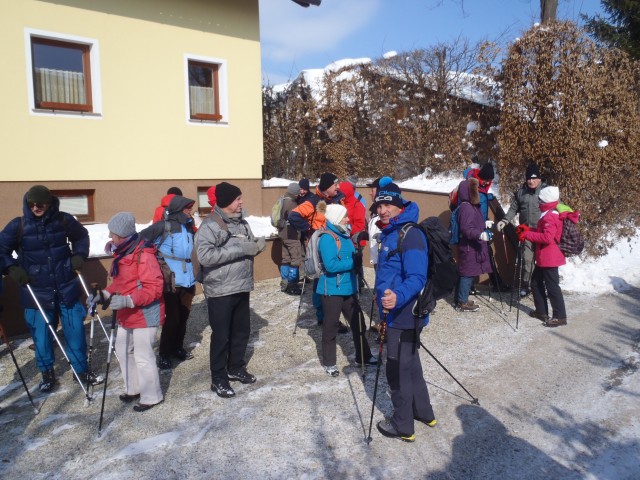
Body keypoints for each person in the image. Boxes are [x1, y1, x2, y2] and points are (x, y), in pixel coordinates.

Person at [0, 185, 102, 392]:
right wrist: (12, 268)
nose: (36, 207)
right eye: (32, 204)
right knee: (42, 335)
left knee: (74, 330)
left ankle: (80, 371)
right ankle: (47, 373)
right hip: (36, 290)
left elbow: (81, 236)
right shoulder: (18, 225)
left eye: (41, 203)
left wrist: (79, 255)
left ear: (49, 202)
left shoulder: (63, 220)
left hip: (66, 285)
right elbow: (1, 250)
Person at [373, 178, 436, 442]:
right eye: (379, 205)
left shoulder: (410, 234)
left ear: (398, 204)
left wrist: (396, 297)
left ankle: (403, 426)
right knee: (411, 366)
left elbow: (417, 277)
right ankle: (424, 413)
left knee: (397, 370)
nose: (383, 210)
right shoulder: (391, 232)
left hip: (403, 315)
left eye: (388, 204)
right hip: (396, 313)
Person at [195, 182, 266, 398]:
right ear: (226, 202)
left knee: (241, 332)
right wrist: (240, 248)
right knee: (222, 335)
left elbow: (247, 243)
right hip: (220, 290)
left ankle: (236, 367)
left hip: (241, 285)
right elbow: (205, 256)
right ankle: (218, 378)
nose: (241, 202)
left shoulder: (242, 222)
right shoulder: (210, 226)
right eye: (237, 199)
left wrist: (256, 245)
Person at [90, 212, 165, 411]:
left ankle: (151, 396)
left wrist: (128, 300)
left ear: (122, 235)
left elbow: (154, 289)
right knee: (122, 350)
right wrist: (104, 294)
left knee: (143, 355)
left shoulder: (144, 255)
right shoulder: (123, 253)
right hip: (127, 312)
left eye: (112, 234)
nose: (109, 237)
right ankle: (134, 388)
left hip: (145, 312)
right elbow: (121, 283)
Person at [317, 204, 376, 376]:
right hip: (332, 290)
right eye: (344, 216)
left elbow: (348, 255)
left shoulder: (344, 234)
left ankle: (363, 357)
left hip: (348, 288)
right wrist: (353, 263)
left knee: (358, 323)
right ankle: (329, 363)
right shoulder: (328, 238)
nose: (348, 219)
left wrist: (356, 255)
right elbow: (330, 265)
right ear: (336, 218)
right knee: (331, 326)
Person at [140, 195, 197, 370]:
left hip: (188, 279)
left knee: (184, 316)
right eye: (188, 208)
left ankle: (177, 348)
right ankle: (164, 353)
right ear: (179, 210)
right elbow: (139, 242)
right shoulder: (162, 227)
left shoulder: (188, 227)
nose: (191, 211)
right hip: (169, 280)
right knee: (172, 318)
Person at [289, 173, 346, 327]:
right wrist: (310, 229)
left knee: (335, 279)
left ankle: (334, 316)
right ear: (327, 187)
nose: (338, 187)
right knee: (319, 280)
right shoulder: (313, 201)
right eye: (335, 185)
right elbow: (293, 216)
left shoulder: (338, 199)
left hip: (337, 245)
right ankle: (323, 316)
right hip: (319, 248)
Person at [517, 186, 568, 327]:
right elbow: (542, 231)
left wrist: (527, 235)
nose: (538, 201)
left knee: (552, 287)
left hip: (549, 257)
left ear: (545, 200)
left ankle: (560, 316)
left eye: (540, 199)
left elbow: (547, 237)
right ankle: (541, 311)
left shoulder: (551, 215)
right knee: (535, 282)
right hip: (544, 256)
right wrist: (529, 230)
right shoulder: (549, 212)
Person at [496, 163, 547, 297]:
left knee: (543, 261)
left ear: (540, 178)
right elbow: (513, 209)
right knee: (527, 260)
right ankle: (526, 285)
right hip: (527, 233)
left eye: (534, 178)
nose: (531, 181)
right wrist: (505, 220)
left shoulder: (546, 193)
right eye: (529, 178)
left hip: (543, 233)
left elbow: (557, 207)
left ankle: (543, 285)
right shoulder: (521, 193)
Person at [454, 177, 493, 312]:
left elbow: (474, 223)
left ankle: (461, 298)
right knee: (467, 274)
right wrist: (479, 234)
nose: (476, 192)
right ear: (469, 192)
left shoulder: (472, 206)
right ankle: (462, 302)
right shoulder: (466, 208)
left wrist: (484, 225)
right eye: (474, 190)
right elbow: (466, 229)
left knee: (467, 273)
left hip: (472, 247)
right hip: (469, 247)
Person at [278, 183, 303, 295]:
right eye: (298, 192)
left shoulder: (282, 200)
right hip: (292, 235)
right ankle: (292, 285)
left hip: (283, 234)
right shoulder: (292, 203)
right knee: (295, 259)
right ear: (295, 192)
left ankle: (284, 282)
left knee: (285, 258)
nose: (300, 194)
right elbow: (296, 219)